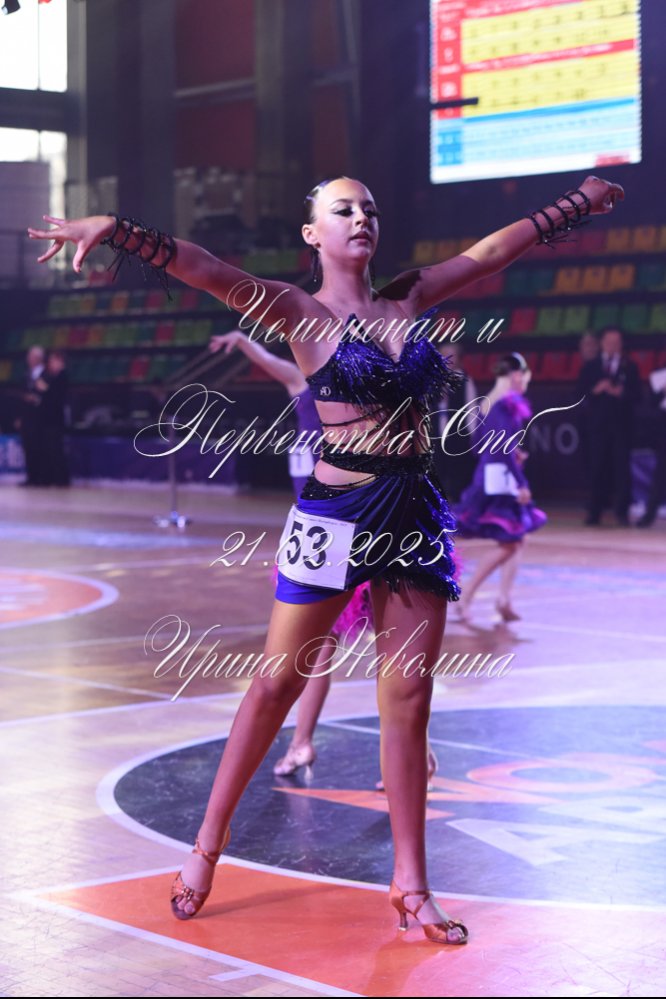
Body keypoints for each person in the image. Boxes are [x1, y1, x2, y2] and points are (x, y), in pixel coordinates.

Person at [28, 173, 623, 945]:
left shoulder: (409, 297)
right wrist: (116, 228)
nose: (360, 217)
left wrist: (575, 203)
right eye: (342, 209)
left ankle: (411, 884)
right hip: (334, 514)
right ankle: (207, 843)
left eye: (369, 207)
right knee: (277, 681)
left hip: (412, 509)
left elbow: (487, 254)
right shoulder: (296, 311)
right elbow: (206, 269)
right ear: (313, 233)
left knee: (408, 698)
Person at [209, 329, 440, 787]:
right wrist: (243, 342)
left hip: (370, 520)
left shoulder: (356, 387)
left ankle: (419, 755)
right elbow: (271, 361)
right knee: (316, 649)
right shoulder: (302, 381)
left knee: (396, 653)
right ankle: (301, 742)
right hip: (323, 528)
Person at [452, 353, 546, 623]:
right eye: (525, 378)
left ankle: (504, 598)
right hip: (500, 481)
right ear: (516, 376)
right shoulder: (505, 404)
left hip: (493, 475)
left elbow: (479, 446)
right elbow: (501, 448)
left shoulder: (488, 403)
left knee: (518, 538)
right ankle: (467, 595)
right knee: (510, 542)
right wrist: (521, 482)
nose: (526, 383)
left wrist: (511, 453)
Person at [576, 327, 641, 526]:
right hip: (598, 426)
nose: (612, 346)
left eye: (616, 342)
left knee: (621, 469)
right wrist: (595, 390)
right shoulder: (591, 366)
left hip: (622, 426)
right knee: (597, 467)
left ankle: (621, 512)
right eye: (609, 342)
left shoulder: (629, 366)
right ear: (602, 343)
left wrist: (621, 393)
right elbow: (578, 395)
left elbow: (638, 396)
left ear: (621, 345)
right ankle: (595, 511)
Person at [636, 363, 666, 527]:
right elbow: (650, 404)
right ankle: (650, 514)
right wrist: (662, 391)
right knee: (661, 473)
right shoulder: (660, 375)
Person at [35, 350, 70, 487]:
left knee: (56, 449)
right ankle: (47, 477)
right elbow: (39, 387)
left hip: (55, 418)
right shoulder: (47, 374)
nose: (51, 363)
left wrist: (45, 388)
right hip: (45, 418)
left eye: (54, 360)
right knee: (46, 449)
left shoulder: (62, 376)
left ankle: (61, 478)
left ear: (61, 362)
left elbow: (55, 395)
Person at [17, 345, 46, 486]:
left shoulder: (46, 374)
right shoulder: (26, 374)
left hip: (41, 418)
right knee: (28, 447)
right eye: (29, 356)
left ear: (39, 358)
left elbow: (49, 395)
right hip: (27, 417)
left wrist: (37, 399)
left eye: (32, 357)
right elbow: (21, 395)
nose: (29, 359)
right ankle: (31, 477)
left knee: (39, 447)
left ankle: (41, 476)